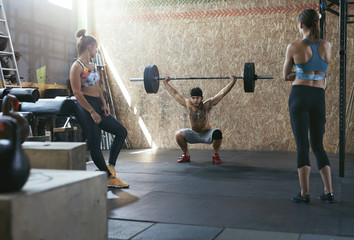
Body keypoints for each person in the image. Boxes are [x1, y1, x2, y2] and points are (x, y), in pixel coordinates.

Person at [283, 9, 334, 203]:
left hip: (300, 96)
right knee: (318, 145)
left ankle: (304, 193)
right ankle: (329, 192)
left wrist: (297, 73)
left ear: (301, 25)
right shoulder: (327, 46)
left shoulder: (294, 46)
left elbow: (284, 75)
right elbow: (324, 73)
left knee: (303, 146)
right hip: (318, 96)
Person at [70, 29, 129, 188]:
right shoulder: (77, 67)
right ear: (90, 47)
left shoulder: (92, 66)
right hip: (85, 106)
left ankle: (110, 167)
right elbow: (77, 92)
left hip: (97, 104)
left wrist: (104, 104)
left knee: (121, 132)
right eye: (96, 48)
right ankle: (109, 177)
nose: (96, 51)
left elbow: (97, 86)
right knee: (95, 143)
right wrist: (91, 111)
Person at [163, 76, 237, 164]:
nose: (195, 100)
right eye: (193, 98)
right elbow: (175, 94)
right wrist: (165, 83)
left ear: (201, 98)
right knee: (178, 134)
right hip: (193, 134)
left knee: (217, 133)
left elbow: (221, 93)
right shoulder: (188, 104)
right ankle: (186, 155)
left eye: (197, 98)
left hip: (206, 134)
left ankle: (215, 155)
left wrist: (232, 82)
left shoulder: (208, 104)